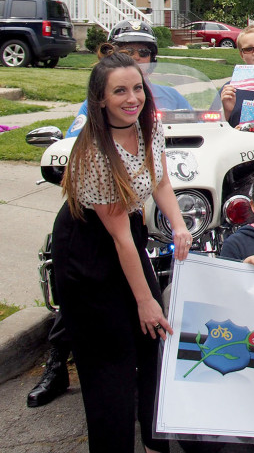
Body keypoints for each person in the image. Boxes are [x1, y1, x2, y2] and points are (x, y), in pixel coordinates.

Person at [50, 51, 190, 452]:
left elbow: (160, 180)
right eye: (119, 91)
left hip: (127, 231)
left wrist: (178, 225)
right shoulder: (94, 150)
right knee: (110, 359)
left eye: (137, 88)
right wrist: (145, 300)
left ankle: (154, 439)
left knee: (151, 340)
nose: (132, 98)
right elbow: (119, 238)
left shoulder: (148, 125)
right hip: (87, 248)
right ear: (100, 99)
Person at [66, 21, 191, 138]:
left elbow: (200, 129)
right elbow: (73, 142)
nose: (136, 57)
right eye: (128, 51)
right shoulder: (96, 102)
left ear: (152, 58)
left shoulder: (173, 97)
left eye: (143, 52)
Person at [220, 25, 254, 126]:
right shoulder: (228, 90)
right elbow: (213, 129)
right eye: (249, 49)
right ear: (242, 55)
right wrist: (226, 111)